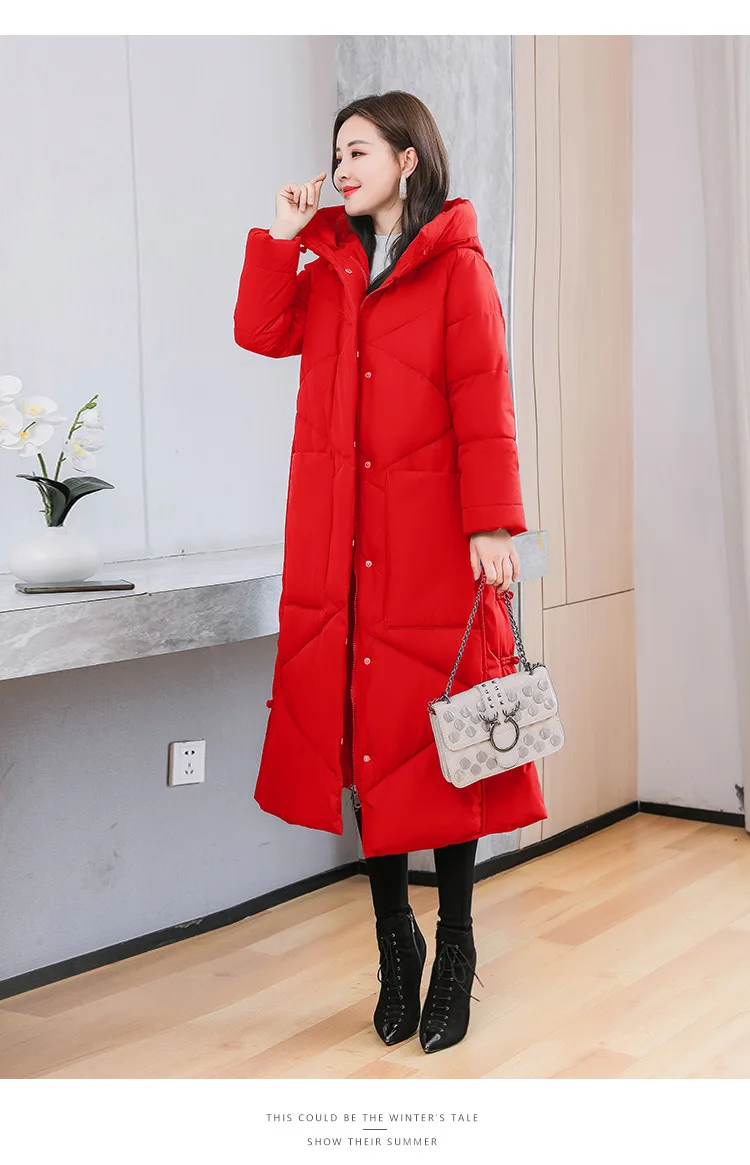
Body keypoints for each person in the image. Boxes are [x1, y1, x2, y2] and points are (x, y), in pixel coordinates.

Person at [234, 91, 547, 1054]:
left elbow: (484, 396)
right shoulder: (329, 263)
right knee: (365, 743)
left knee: (445, 746)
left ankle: (454, 943)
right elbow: (260, 330)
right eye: (336, 153)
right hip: (341, 542)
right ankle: (391, 940)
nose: (340, 168)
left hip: (431, 542)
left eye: (359, 151)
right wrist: (279, 236)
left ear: (409, 160)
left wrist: (492, 522)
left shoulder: (458, 267)